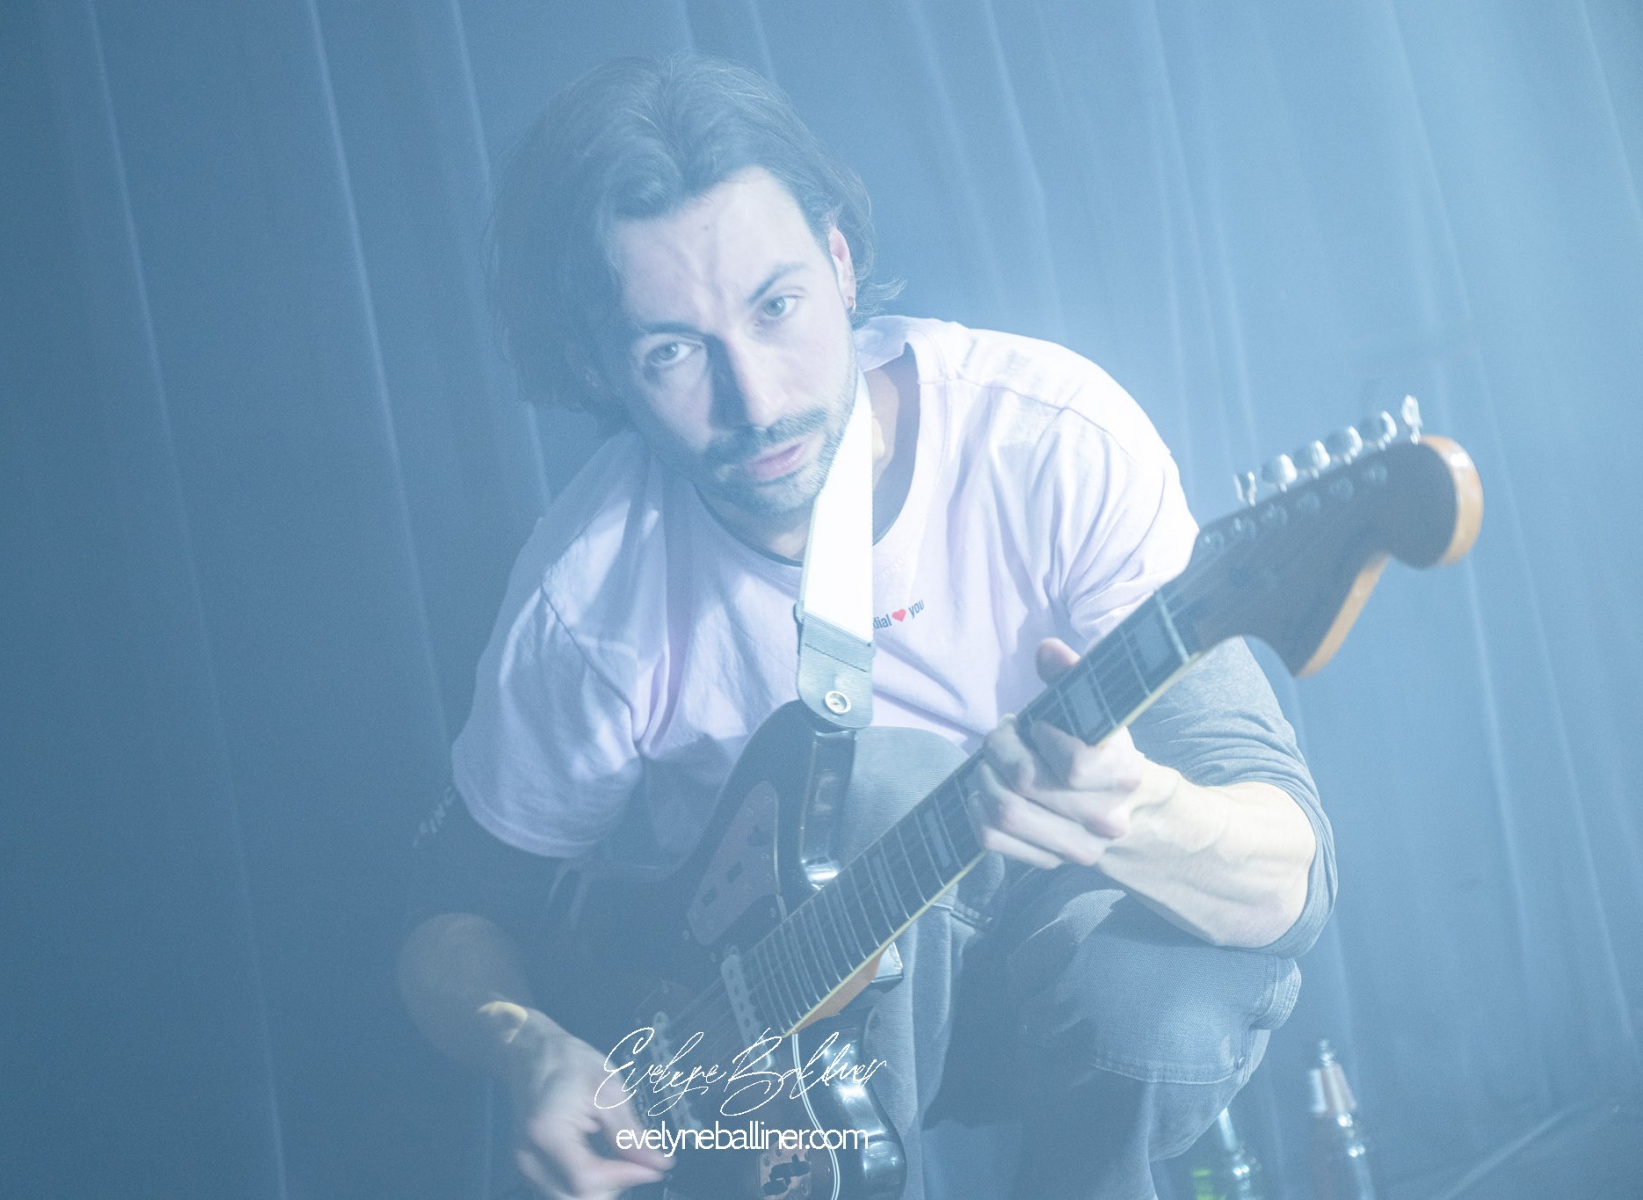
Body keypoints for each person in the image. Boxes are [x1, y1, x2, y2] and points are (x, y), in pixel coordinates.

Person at [400, 54, 1334, 1200]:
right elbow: (451, 922)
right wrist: (531, 1049)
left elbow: (1288, 887)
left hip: (1050, 987)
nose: (756, 399)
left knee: (1167, 1007)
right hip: (766, 1069)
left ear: (841, 264)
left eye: (777, 306)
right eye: (672, 351)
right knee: (879, 782)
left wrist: (1132, 815)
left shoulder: (1051, 441)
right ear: (600, 368)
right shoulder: (588, 594)